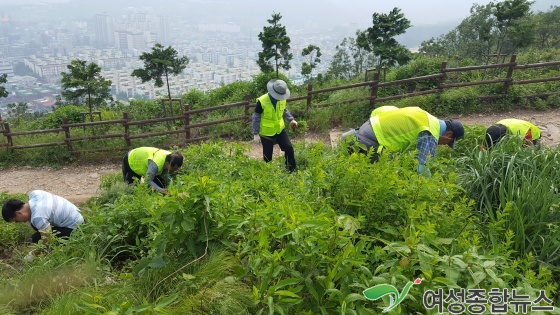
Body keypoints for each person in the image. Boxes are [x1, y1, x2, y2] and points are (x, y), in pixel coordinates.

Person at [345, 106, 464, 175]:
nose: (442, 144)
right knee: (381, 178)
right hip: (371, 143)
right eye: (447, 143)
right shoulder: (431, 131)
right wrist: (431, 188)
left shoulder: (423, 115)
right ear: (448, 134)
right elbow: (422, 168)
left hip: (359, 132)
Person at [2, 190, 84, 250]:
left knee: (36, 238)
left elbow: (47, 238)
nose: (20, 222)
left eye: (16, 220)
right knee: (36, 226)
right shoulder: (35, 194)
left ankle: (58, 250)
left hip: (77, 229)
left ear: (19, 213)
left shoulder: (38, 217)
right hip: (78, 217)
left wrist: (34, 254)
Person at [252, 79, 298, 172]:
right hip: (266, 132)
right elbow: (256, 117)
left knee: (289, 148)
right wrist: (255, 133)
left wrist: (291, 119)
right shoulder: (262, 101)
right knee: (268, 156)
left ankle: (291, 170)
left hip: (279, 129)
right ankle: (268, 175)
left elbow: (284, 110)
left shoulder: (282, 99)